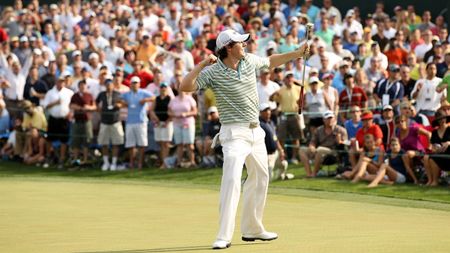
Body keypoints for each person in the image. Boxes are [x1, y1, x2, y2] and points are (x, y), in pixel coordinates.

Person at [180, 29, 309, 249]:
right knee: (231, 180)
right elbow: (184, 87)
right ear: (228, 48)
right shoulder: (213, 72)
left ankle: (252, 228)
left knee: (260, 178)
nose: (245, 45)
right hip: (233, 133)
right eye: (240, 43)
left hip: (255, 131)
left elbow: (270, 61)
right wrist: (202, 64)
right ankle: (223, 235)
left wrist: (297, 53)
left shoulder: (249, 61)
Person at [299, 110, 348, 177]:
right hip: (319, 151)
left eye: (331, 118)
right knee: (302, 150)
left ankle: (314, 174)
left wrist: (339, 141)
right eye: (327, 118)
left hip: (334, 152)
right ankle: (309, 173)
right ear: (323, 120)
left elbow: (345, 145)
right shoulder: (319, 130)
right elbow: (313, 141)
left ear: (334, 119)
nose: (330, 120)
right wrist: (312, 146)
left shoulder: (341, 130)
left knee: (320, 150)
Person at [120, 76, 154, 170]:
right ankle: (131, 163)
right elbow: (118, 99)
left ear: (139, 84)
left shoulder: (143, 92)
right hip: (130, 121)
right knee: (130, 144)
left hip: (141, 121)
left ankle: (140, 163)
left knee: (141, 144)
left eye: (136, 83)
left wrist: (145, 100)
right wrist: (124, 103)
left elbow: (154, 97)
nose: (134, 85)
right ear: (130, 84)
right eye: (133, 83)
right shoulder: (127, 94)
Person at [42, 77, 74, 169]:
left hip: (64, 119)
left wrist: (70, 113)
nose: (61, 83)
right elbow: (45, 106)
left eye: (62, 82)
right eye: (59, 81)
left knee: (63, 140)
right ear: (56, 82)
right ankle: (49, 157)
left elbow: (73, 104)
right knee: (50, 138)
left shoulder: (69, 92)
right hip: (53, 119)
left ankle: (62, 159)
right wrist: (55, 103)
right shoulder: (50, 93)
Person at [96, 78, 124, 171]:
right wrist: (100, 111)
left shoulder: (117, 94)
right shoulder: (102, 94)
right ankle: (106, 162)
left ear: (113, 85)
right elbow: (97, 103)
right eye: (107, 85)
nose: (109, 86)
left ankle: (114, 163)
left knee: (116, 143)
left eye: (110, 85)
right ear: (105, 86)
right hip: (104, 121)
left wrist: (118, 105)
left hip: (115, 121)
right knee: (104, 143)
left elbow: (122, 103)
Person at [258, 103, 291, 181]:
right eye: (265, 110)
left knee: (284, 164)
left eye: (269, 110)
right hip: (265, 154)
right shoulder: (259, 124)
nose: (268, 112)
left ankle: (280, 176)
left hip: (275, 153)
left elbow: (275, 138)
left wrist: (281, 150)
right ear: (261, 112)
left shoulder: (271, 123)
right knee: (268, 177)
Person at [69, 80, 96, 166]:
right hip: (77, 121)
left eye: (84, 85)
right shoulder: (75, 96)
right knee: (76, 140)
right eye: (81, 85)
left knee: (86, 140)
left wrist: (88, 107)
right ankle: (76, 159)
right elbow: (71, 105)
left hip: (87, 121)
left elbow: (94, 107)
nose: (82, 87)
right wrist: (80, 108)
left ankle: (85, 160)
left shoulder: (89, 95)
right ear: (78, 86)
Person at [424, 111, 450, 186]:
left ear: (446, 119)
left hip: (448, 155)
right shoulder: (434, 132)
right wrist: (436, 149)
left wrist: (448, 143)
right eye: (439, 119)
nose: (441, 120)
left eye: (443, 118)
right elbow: (433, 147)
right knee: (429, 158)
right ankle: (432, 181)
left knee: (431, 157)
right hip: (439, 155)